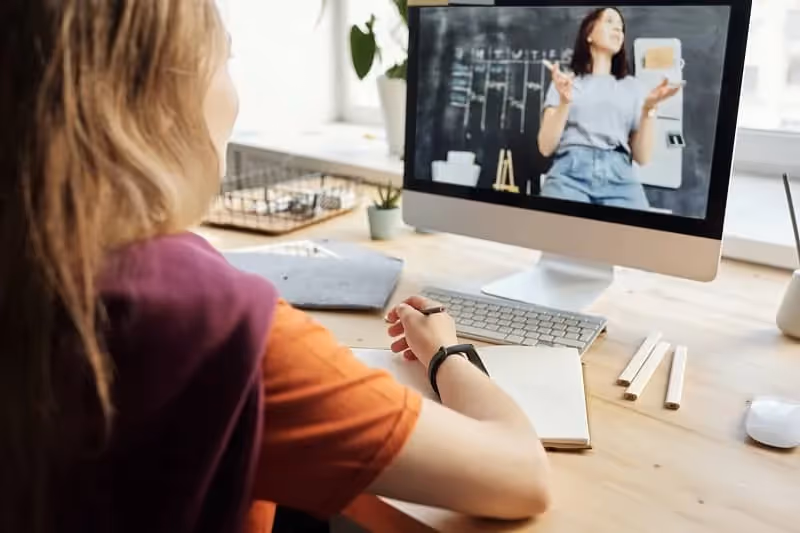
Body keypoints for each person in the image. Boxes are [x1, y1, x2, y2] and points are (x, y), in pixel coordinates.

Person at [0, 2, 551, 533]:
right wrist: (446, 352)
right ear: (159, 95)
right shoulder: (210, 323)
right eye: (225, 63)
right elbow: (520, 475)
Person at [537, 7, 682, 209]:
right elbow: (545, 147)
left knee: (638, 237)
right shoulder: (565, 82)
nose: (617, 30)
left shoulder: (634, 87)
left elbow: (642, 157)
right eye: (610, 21)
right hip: (569, 173)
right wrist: (565, 101)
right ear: (589, 33)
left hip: (620, 177)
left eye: (621, 27)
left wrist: (649, 108)